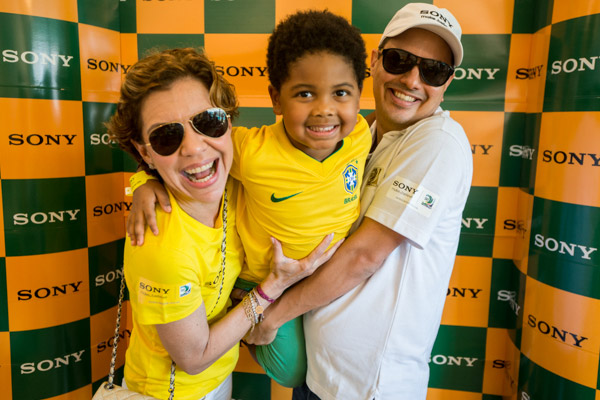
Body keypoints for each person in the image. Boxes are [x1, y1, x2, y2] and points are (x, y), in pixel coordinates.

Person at [126, 10, 372, 389]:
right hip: (194, 369)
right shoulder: (249, 154)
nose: (195, 148)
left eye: (208, 123)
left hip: (322, 284)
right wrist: (143, 182)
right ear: (276, 99)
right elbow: (192, 359)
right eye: (166, 137)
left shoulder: (360, 135)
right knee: (293, 372)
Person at [245, 3, 474, 399]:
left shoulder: (438, 142)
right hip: (319, 375)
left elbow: (363, 257)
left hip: (369, 388)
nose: (413, 80)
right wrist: (151, 182)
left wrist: (270, 315)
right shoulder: (356, 137)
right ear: (375, 61)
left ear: (447, 82)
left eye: (434, 70)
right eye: (399, 59)